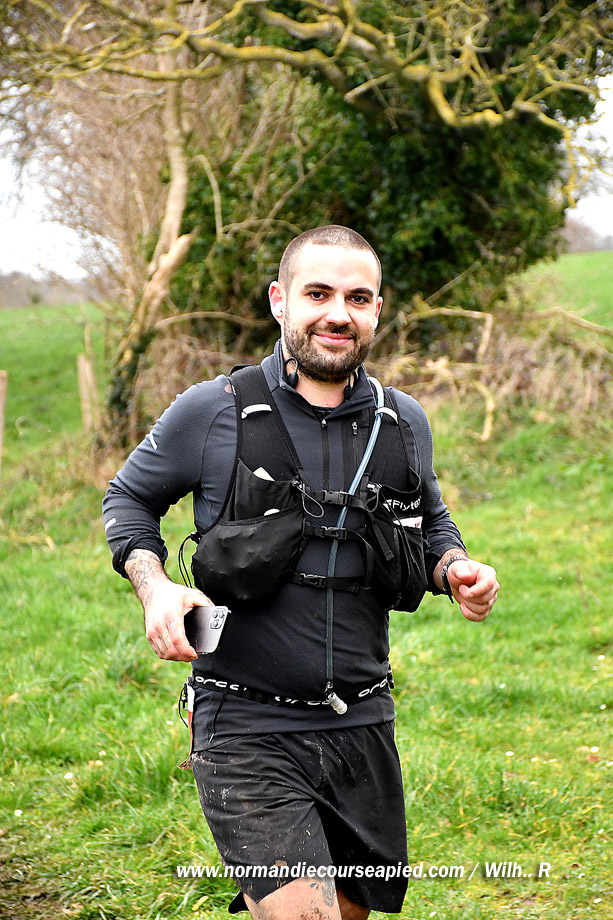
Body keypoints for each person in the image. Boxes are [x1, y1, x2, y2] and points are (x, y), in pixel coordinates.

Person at [103, 225, 499, 920]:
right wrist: (154, 585)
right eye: (318, 293)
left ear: (377, 310)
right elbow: (129, 498)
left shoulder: (402, 421)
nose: (338, 313)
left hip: (363, 720)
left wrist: (456, 567)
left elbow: (430, 521)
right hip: (243, 721)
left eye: (357, 298)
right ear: (279, 300)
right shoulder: (214, 409)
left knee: (346, 912)